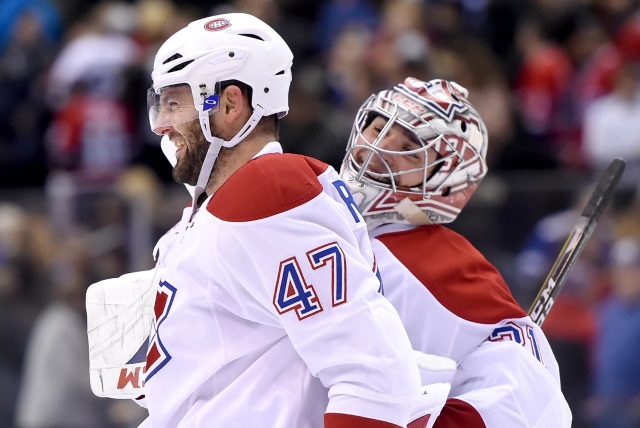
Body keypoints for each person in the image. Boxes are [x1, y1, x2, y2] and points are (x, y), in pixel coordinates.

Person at [89, 13, 427, 428]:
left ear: (231, 104)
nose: (161, 123)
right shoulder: (219, 208)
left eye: (175, 103)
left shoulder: (268, 193)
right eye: (159, 104)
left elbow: (374, 377)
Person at [339, 76, 573, 426]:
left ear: (442, 180)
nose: (382, 148)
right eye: (379, 129)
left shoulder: (443, 263)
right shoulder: (312, 205)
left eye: (409, 147)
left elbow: (536, 397)